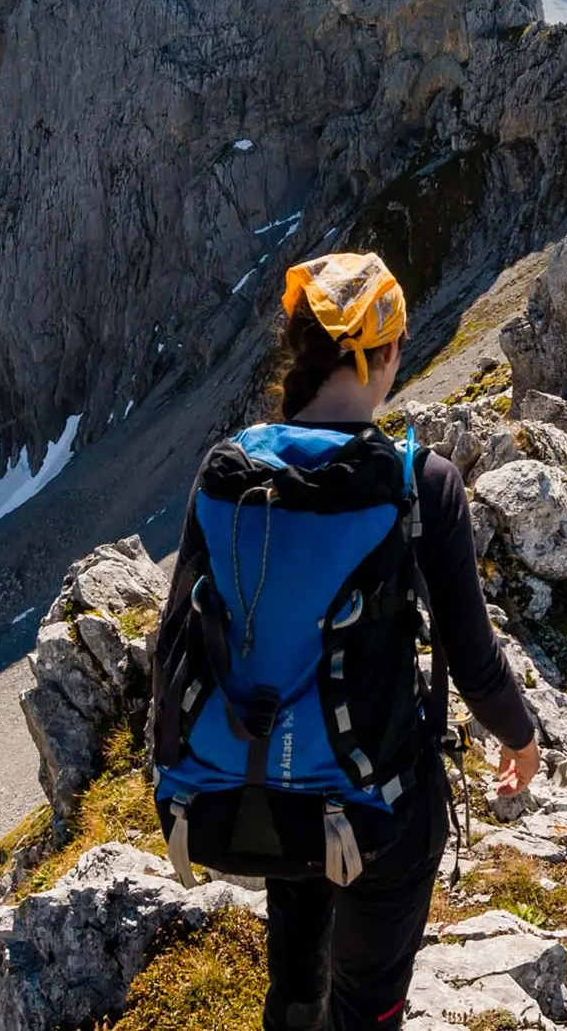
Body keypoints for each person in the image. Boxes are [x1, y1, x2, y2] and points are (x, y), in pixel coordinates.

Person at [150, 251, 540, 1031]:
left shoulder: (226, 472)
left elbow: (171, 648)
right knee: (367, 1006)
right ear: (384, 352)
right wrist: (523, 741)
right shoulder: (417, 485)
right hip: (378, 806)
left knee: (296, 980)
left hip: (253, 789)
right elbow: (473, 661)